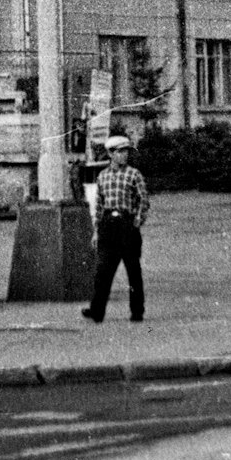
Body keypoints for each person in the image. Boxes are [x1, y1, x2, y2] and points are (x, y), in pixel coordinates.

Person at [84, 134, 150, 324]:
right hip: (108, 226)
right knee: (103, 271)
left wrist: (137, 220)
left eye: (126, 151)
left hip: (127, 224)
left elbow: (143, 200)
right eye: (120, 152)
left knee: (133, 271)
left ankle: (137, 311)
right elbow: (98, 205)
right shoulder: (103, 176)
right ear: (111, 154)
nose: (124, 155)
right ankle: (97, 311)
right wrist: (96, 231)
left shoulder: (134, 174)